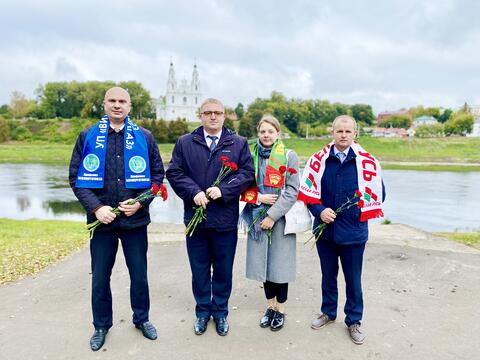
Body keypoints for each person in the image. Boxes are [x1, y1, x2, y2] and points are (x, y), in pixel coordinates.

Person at [69, 87, 164, 351]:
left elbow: (157, 176)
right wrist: (97, 208)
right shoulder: (88, 137)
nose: (117, 105)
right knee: (100, 277)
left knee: (140, 276)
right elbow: (76, 179)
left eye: (122, 101)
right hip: (102, 223)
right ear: (104, 104)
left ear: (130, 106)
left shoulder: (144, 137)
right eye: (112, 100)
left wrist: (140, 202)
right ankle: (101, 325)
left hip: (135, 222)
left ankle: (142, 319)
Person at [166, 98, 254, 336]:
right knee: (200, 269)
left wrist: (223, 190)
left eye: (217, 113)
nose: (213, 116)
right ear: (201, 115)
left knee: (223, 270)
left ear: (224, 116)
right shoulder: (185, 142)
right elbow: (174, 172)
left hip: (224, 219)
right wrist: (193, 192)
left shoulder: (238, 143)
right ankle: (203, 312)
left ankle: (221, 312)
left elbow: (247, 173)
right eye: (208, 113)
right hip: (195, 218)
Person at [298, 115, 385, 345]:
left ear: (355, 134)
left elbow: (379, 194)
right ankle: (328, 312)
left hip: (354, 232)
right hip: (325, 231)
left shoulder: (367, 162)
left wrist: (356, 208)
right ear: (332, 132)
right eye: (339, 131)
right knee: (328, 275)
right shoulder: (319, 160)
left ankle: (354, 320)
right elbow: (308, 193)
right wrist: (320, 211)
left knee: (353, 279)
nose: (344, 135)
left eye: (348, 131)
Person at [240, 114, 300, 331]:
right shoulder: (249, 155)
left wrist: (272, 215)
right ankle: (270, 307)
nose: (266, 135)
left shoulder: (289, 156)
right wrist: (258, 199)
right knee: (263, 266)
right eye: (262, 131)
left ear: (278, 133)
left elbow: (293, 190)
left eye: (270, 131)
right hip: (256, 216)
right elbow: (241, 185)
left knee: (279, 266)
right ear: (258, 133)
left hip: (280, 220)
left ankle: (280, 311)